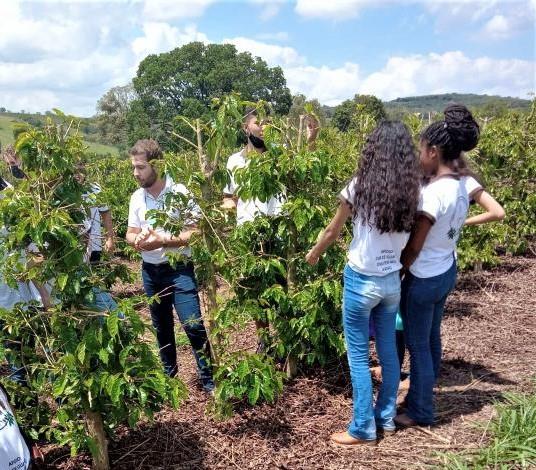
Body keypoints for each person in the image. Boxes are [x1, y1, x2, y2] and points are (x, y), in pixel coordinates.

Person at [306, 121, 420, 445]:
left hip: (361, 280)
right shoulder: (413, 191)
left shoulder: (359, 186)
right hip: (391, 282)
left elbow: (332, 231)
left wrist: (313, 255)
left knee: (358, 357)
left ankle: (362, 428)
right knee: (389, 354)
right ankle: (386, 417)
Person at [395, 104, 505, 428]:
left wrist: (398, 269)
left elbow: (415, 246)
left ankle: (420, 410)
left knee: (418, 346)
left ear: (432, 151)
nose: (419, 155)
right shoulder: (461, 183)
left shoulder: (433, 195)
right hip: (446, 270)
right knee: (430, 338)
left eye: (420, 150)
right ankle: (425, 393)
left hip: (424, 277)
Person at [222, 108, 318, 351]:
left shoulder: (281, 156)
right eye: (258, 122)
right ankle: (264, 341)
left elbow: (304, 172)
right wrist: (224, 216)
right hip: (250, 235)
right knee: (257, 293)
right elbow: (228, 198)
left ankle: (289, 340)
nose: (264, 126)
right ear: (246, 128)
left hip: (280, 232)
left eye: (267, 122)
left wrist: (311, 141)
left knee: (286, 287)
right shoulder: (234, 161)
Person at [125, 139, 214, 392]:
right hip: (150, 272)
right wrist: (138, 240)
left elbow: (196, 232)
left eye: (140, 167)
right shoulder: (136, 198)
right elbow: (130, 234)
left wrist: (164, 240)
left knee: (193, 324)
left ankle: (209, 380)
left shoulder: (180, 193)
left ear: (156, 166)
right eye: (134, 167)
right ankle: (169, 381)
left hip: (179, 269)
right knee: (161, 327)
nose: (135, 173)